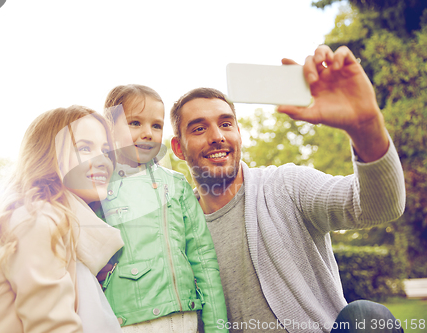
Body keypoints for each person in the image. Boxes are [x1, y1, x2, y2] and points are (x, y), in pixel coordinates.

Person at [169, 45, 406, 333]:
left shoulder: (286, 186)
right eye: (198, 128)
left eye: (226, 124)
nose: (217, 136)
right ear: (178, 148)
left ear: (238, 134)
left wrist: (365, 126)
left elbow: (379, 206)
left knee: (366, 317)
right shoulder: (175, 231)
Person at [0, 106, 124, 333]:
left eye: (105, 150)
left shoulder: (58, 224)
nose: (102, 160)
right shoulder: (37, 220)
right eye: (84, 148)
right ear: (49, 157)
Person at [99, 84, 228, 332]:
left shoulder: (177, 185)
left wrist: (217, 328)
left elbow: (203, 259)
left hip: (188, 318)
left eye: (156, 125)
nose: (148, 133)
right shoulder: (99, 187)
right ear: (108, 130)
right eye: (134, 123)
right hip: (128, 322)